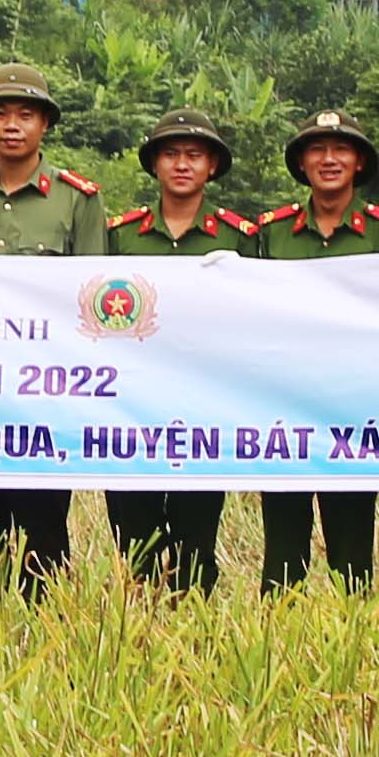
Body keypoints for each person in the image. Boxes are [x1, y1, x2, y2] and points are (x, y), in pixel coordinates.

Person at [0, 62, 100, 584]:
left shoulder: (78, 199)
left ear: (45, 124)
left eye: (25, 114)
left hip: (43, 392)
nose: (12, 125)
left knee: (43, 530)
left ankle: (42, 636)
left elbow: (92, 298)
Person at [251, 110, 379, 590]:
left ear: (359, 162)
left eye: (340, 149)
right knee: (283, 543)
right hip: (285, 410)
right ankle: (277, 638)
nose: (328, 159)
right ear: (301, 164)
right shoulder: (271, 232)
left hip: (355, 409)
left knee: (351, 544)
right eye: (316, 150)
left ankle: (354, 637)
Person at [101, 109, 259, 588]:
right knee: (135, 535)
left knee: (196, 536)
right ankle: (142, 625)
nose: (182, 165)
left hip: (203, 405)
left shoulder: (241, 238)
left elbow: (259, 319)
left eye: (194, 155)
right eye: (171, 154)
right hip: (129, 403)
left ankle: (194, 629)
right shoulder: (120, 234)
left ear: (212, 165)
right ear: (154, 165)